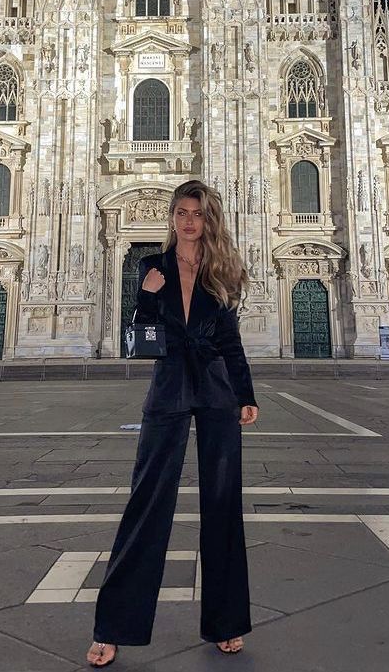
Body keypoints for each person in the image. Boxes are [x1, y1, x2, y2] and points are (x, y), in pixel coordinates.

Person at [86, 180, 259, 667]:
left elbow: (230, 340)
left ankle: (227, 621)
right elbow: (139, 337)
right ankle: (113, 626)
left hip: (217, 389)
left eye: (197, 214)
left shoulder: (222, 270)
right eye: (181, 212)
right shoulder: (152, 267)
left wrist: (245, 394)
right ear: (172, 217)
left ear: (209, 220)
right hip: (168, 388)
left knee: (223, 504)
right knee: (147, 499)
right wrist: (144, 296)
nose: (188, 221)